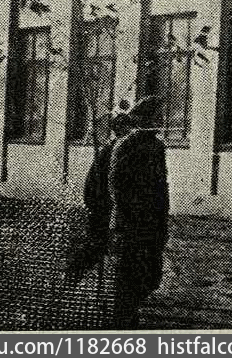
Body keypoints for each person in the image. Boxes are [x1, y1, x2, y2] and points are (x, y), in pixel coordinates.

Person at [106, 96, 170, 329]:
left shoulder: (157, 146)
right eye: (157, 115)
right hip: (132, 222)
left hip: (153, 222)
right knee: (130, 275)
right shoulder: (127, 145)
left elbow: (161, 186)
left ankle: (127, 313)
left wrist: (161, 219)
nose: (162, 119)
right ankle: (123, 323)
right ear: (146, 118)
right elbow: (117, 185)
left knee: (152, 275)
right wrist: (130, 215)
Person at [71, 110, 133, 280]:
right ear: (121, 129)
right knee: (98, 244)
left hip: (102, 202)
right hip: (100, 204)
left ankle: (76, 272)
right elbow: (104, 181)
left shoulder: (115, 148)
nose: (131, 132)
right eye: (128, 128)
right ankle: (73, 273)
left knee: (102, 244)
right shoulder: (113, 150)